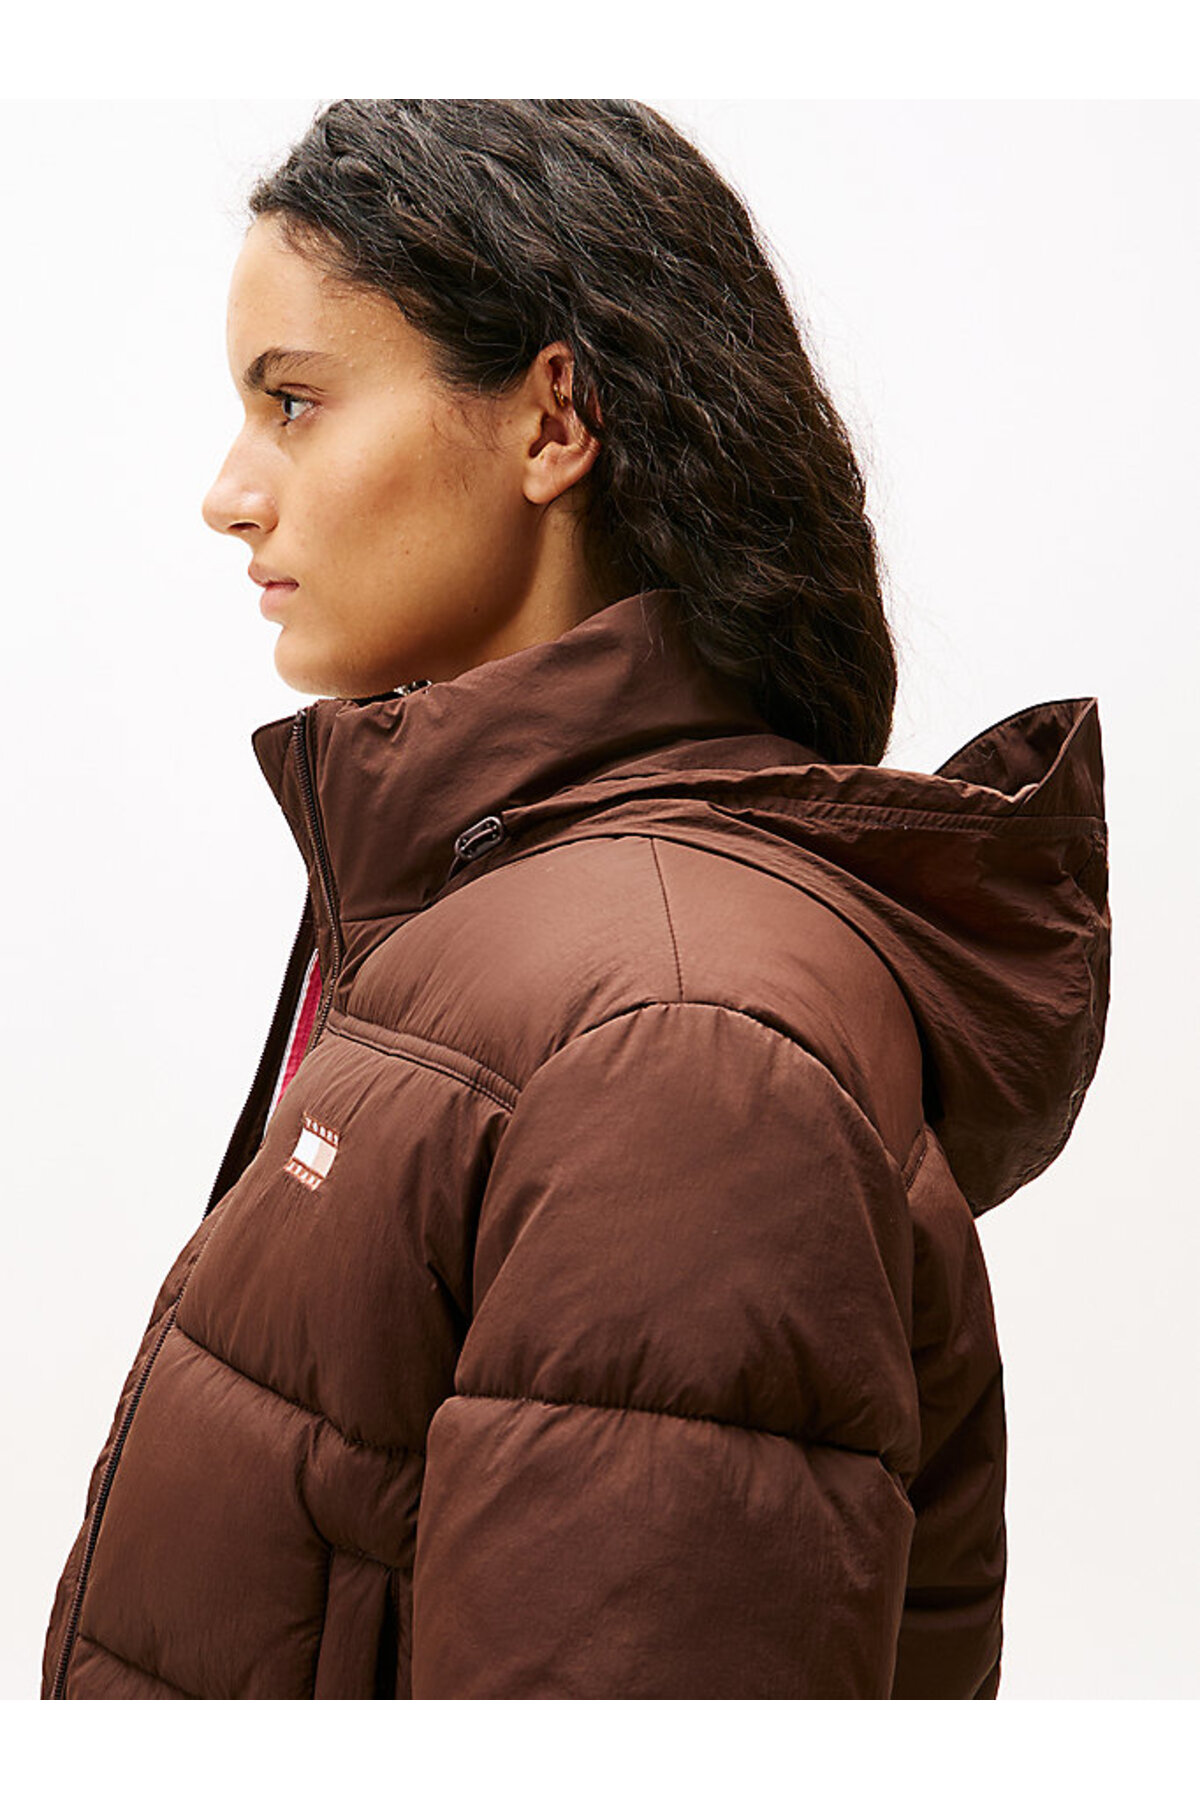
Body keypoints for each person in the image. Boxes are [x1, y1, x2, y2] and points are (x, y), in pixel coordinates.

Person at [40, 98, 1110, 1701]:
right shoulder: (508, 923)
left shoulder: (677, 1032)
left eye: (296, 402)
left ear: (553, 424)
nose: (231, 492)